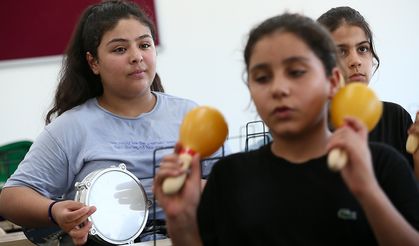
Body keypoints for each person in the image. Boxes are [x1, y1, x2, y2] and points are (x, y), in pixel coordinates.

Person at [153, 13, 419, 245]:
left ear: (333, 81)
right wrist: (181, 221)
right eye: (262, 77)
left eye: (296, 72)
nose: (279, 88)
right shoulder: (229, 177)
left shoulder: (383, 165)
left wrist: (367, 191)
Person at [0, 0, 226, 245]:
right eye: (120, 49)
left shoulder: (189, 114)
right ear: (93, 62)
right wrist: (55, 211)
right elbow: (11, 198)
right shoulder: (71, 127)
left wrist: (192, 189)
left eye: (145, 45)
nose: (137, 56)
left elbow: (230, 187)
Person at [317, 6, 419, 179]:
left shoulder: (396, 117)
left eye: (363, 49)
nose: (355, 61)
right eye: (341, 51)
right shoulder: (311, 128)